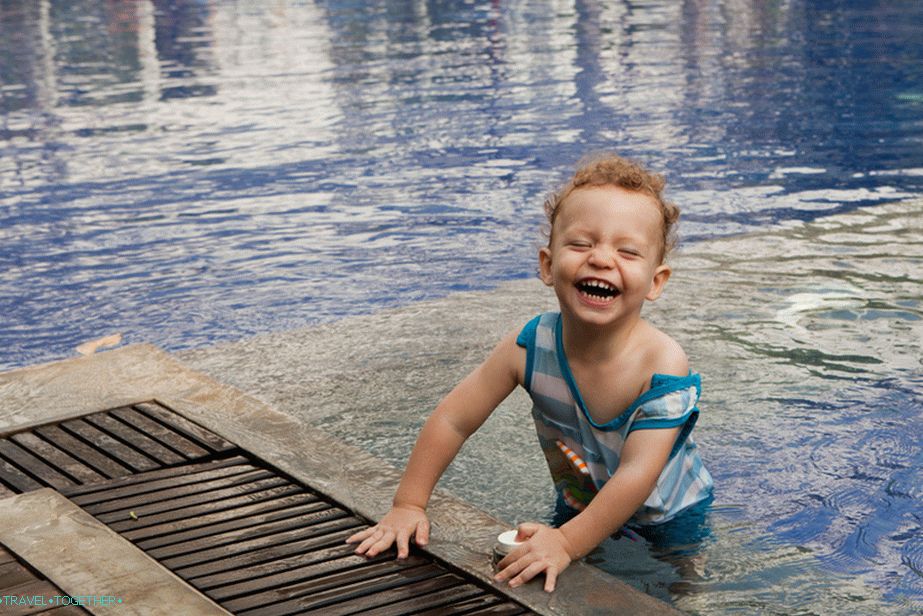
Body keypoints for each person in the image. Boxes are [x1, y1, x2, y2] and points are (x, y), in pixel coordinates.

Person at [346, 152, 713, 592]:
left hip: (670, 515)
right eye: (581, 244)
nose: (601, 259)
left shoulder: (662, 365)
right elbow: (453, 419)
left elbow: (638, 474)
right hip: (579, 501)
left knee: (676, 590)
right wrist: (408, 503)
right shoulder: (529, 346)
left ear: (656, 281)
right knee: (561, 581)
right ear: (547, 265)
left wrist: (567, 542)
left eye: (627, 251)